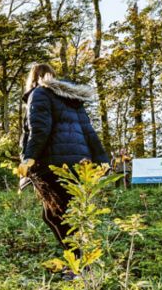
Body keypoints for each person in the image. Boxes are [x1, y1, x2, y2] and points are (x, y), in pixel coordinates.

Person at [18, 63, 108, 272]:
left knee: (57, 215)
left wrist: (29, 158)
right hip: (80, 164)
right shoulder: (72, 100)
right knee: (66, 215)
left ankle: (79, 267)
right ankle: (81, 264)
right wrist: (102, 159)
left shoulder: (39, 93)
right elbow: (89, 132)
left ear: (33, 79)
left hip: (54, 164)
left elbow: (39, 129)